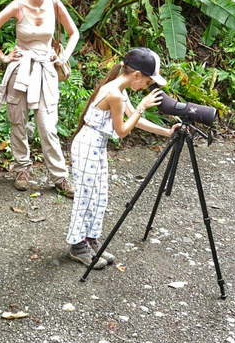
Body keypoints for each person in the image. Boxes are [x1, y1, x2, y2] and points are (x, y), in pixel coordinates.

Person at [66, 48, 181, 269]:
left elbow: (134, 121)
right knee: (85, 196)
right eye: (148, 82)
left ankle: (90, 239)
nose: (146, 87)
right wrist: (141, 107)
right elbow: (122, 131)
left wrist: (167, 132)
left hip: (96, 145)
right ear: (137, 75)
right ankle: (77, 245)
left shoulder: (120, 89)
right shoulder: (115, 94)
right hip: (88, 145)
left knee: (99, 196)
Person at [0, 0, 79, 197]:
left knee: (47, 126)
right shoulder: (18, 6)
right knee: (18, 121)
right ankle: (22, 169)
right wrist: (4, 57)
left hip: (45, 70)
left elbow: (73, 32)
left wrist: (63, 54)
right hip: (21, 69)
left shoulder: (55, 5)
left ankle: (59, 177)